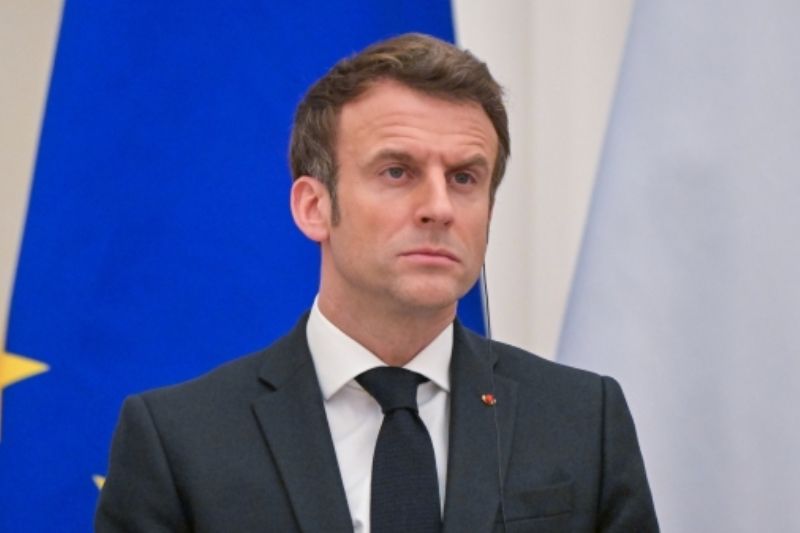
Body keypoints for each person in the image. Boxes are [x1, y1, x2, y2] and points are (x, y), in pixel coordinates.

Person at [95, 33, 658, 532]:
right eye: (397, 172)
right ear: (314, 207)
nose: (439, 207)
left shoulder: (582, 419)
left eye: (465, 178)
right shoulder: (179, 440)